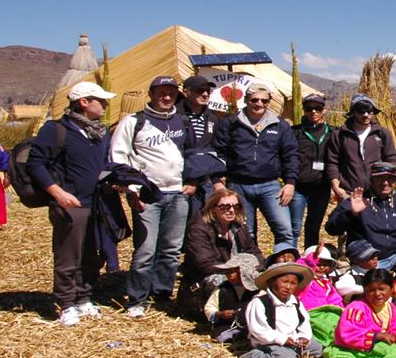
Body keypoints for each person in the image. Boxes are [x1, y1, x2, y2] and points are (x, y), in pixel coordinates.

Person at [28, 81, 117, 327]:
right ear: (84, 102)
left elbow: (105, 164)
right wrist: (57, 192)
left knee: (92, 254)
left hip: (96, 203)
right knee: (68, 255)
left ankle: (84, 297)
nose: (106, 105)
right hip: (70, 203)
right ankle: (66, 303)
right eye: (101, 100)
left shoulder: (101, 132)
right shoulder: (57, 130)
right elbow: (36, 164)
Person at [111, 75, 194, 318]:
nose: (166, 97)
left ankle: (161, 294)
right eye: (161, 93)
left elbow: (192, 154)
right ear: (151, 94)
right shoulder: (135, 121)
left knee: (171, 249)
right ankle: (137, 298)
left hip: (177, 193)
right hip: (148, 194)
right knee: (146, 249)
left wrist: (193, 182)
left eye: (171, 93)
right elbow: (119, 157)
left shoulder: (182, 121)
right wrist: (132, 190)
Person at [213, 83, 300, 253]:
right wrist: (217, 180)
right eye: (254, 100)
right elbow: (218, 153)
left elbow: (290, 155)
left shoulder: (280, 126)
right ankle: (251, 268)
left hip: (270, 185)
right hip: (238, 185)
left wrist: (290, 182)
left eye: (264, 100)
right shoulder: (231, 123)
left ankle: (283, 269)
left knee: (284, 230)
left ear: (269, 102)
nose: (259, 104)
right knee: (245, 232)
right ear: (246, 100)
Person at [177, 188, 266, 316]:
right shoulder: (198, 228)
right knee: (221, 280)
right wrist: (236, 271)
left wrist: (255, 270)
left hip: (238, 273)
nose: (231, 210)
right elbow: (206, 264)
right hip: (203, 282)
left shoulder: (238, 227)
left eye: (236, 206)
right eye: (224, 206)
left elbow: (255, 253)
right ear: (213, 208)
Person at [324, 269, 396, 358]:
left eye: (382, 289)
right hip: (359, 348)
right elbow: (348, 334)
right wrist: (377, 336)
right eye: (371, 290)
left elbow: (395, 326)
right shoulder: (356, 308)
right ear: (364, 290)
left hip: (383, 344)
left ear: (392, 289)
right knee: (392, 352)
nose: (377, 294)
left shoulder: (390, 307)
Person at [241, 262, 322, 358]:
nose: (288, 287)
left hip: (293, 342)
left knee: (317, 348)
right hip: (270, 343)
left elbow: (304, 322)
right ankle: (255, 355)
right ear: (271, 282)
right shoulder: (260, 302)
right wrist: (282, 340)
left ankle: (291, 354)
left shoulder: (295, 303)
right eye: (284, 282)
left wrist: (304, 337)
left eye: (293, 283)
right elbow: (259, 330)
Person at [324, 94, 396, 201]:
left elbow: (391, 159)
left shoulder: (382, 134)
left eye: (369, 111)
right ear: (353, 112)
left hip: (377, 192)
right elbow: (332, 162)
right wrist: (335, 186)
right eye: (361, 111)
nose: (366, 115)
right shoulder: (339, 135)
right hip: (348, 193)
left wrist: (389, 183)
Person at [290, 93, 333, 251]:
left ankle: (310, 258)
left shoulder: (333, 133)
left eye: (318, 108)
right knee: (294, 227)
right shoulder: (294, 132)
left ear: (324, 110)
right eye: (309, 108)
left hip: (321, 187)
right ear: (304, 110)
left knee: (313, 227)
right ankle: (290, 257)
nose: (314, 111)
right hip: (299, 187)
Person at [177, 74, 222, 221]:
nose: (204, 94)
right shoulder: (174, 116)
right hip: (180, 180)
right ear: (186, 92)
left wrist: (215, 180)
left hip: (204, 181)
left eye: (208, 91)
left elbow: (214, 150)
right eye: (199, 90)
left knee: (202, 222)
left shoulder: (212, 118)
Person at [204, 253, 260, 342]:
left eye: (234, 271)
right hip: (226, 328)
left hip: (252, 329)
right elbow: (209, 307)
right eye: (228, 271)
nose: (229, 274)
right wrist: (220, 314)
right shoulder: (223, 288)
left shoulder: (259, 290)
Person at [296, 245, 343, 310]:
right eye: (318, 264)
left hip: (322, 315)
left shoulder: (326, 284)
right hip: (307, 313)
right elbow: (300, 268)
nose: (322, 267)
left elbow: (335, 300)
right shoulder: (305, 281)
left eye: (325, 265)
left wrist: (339, 310)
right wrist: (312, 259)